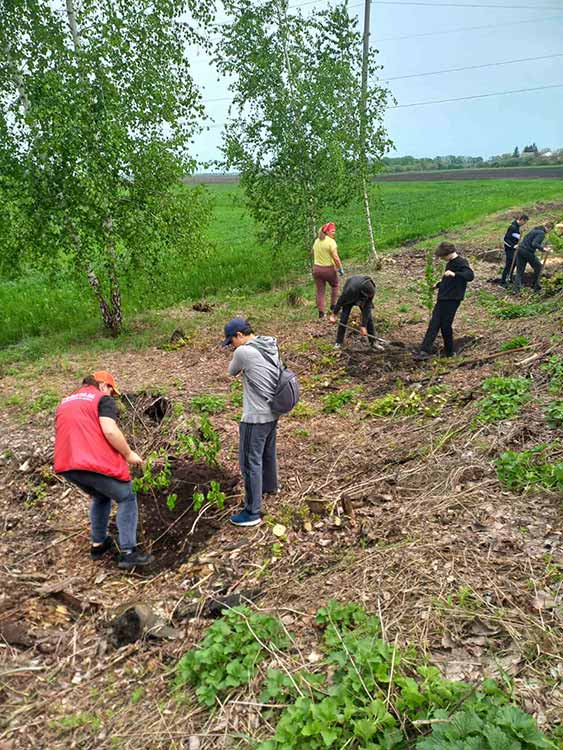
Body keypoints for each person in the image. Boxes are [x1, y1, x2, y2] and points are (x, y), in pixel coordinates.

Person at [54, 371, 153, 570]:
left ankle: (98, 545)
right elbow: (109, 430)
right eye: (110, 390)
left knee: (101, 496)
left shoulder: (66, 402)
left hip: (67, 465)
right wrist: (128, 454)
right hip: (90, 462)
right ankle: (128, 552)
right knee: (127, 496)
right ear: (102, 385)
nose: (111, 396)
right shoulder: (101, 399)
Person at [223, 318, 281, 527]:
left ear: (239, 334)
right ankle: (270, 486)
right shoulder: (270, 344)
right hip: (273, 410)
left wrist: (237, 352)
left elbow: (231, 371)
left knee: (249, 461)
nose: (231, 345)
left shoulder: (243, 352)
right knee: (267, 452)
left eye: (231, 341)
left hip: (255, 416)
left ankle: (252, 511)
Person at [413, 242, 474, 361]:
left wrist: (455, 274)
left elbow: (470, 275)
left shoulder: (461, 262)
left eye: (443, 256)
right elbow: (449, 281)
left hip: (452, 299)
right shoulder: (450, 263)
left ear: (449, 253)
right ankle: (424, 351)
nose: (442, 259)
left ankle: (449, 351)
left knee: (445, 325)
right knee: (434, 324)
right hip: (443, 298)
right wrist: (439, 285)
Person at [329, 275, 380, 350]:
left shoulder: (371, 290)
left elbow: (367, 308)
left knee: (369, 318)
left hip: (361, 294)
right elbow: (340, 301)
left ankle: (373, 342)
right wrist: (333, 315)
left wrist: (363, 326)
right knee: (343, 319)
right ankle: (338, 342)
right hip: (350, 297)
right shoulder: (349, 291)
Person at [311, 222, 344, 320]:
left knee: (320, 291)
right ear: (327, 232)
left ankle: (321, 314)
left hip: (317, 269)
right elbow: (336, 257)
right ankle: (333, 307)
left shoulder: (317, 241)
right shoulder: (331, 242)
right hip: (328, 269)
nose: (334, 233)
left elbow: (312, 253)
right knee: (335, 285)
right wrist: (340, 268)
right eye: (333, 231)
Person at [513, 221, 554, 294]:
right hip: (527, 251)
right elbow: (534, 243)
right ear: (549, 228)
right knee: (538, 267)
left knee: (520, 271)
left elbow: (530, 241)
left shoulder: (534, 230)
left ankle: (516, 290)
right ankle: (535, 287)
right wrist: (544, 249)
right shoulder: (541, 233)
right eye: (550, 230)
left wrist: (542, 248)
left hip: (520, 250)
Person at [501, 213, 528, 286]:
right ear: (521, 220)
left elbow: (515, 238)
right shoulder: (512, 227)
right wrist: (513, 246)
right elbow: (506, 239)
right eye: (524, 222)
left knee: (514, 263)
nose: (524, 224)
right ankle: (503, 281)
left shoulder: (517, 227)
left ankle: (509, 278)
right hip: (509, 249)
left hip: (513, 249)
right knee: (509, 264)